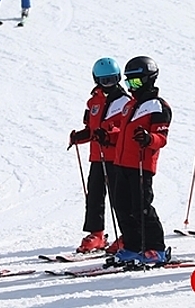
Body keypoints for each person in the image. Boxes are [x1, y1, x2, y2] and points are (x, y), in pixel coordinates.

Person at [111, 56, 172, 264]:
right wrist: (108, 135)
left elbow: (161, 137)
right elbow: (123, 131)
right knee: (121, 206)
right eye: (128, 82)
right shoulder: (129, 105)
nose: (131, 86)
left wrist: (148, 138)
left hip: (141, 164)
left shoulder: (157, 106)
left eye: (135, 82)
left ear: (148, 79)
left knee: (141, 208)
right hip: (121, 163)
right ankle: (133, 245)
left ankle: (157, 249)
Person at [68, 58, 130, 254]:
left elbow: (126, 130)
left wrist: (110, 135)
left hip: (117, 158)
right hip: (97, 157)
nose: (109, 85)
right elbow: (91, 129)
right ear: (97, 80)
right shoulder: (93, 101)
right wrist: (80, 136)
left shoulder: (125, 101)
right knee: (94, 196)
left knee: (119, 198)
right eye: (104, 81)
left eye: (112, 80)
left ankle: (128, 234)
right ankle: (97, 234)